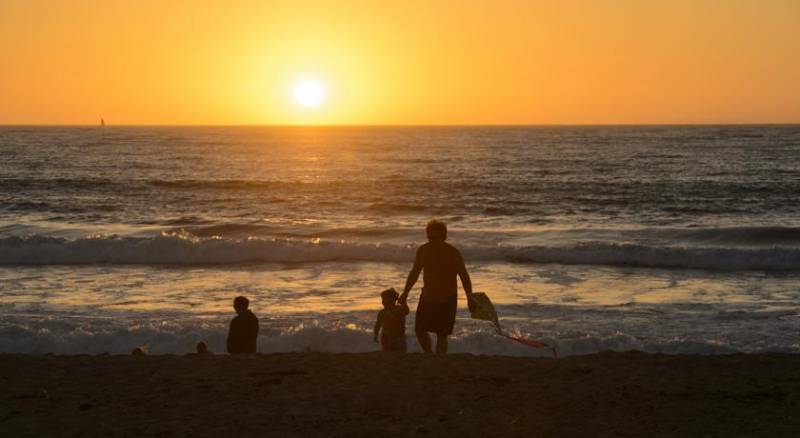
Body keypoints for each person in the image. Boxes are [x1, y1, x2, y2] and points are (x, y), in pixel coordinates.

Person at [400, 220, 474, 354]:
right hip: (427, 297)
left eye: (434, 238)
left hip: (447, 299)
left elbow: (464, 276)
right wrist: (405, 293)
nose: (431, 241)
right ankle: (428, 354)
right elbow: (415, 272)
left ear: (443, 236)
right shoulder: (423, 250)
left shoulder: (452, 253)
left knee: (442, 334)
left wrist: (470, 297)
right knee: (419, 330)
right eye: (429, 237)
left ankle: (440, 360)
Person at [373, 288, 410, 352]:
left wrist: (403, 302)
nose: (383, 302)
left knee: (400, 352)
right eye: (382, 300)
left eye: (385, 300)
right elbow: (378, 324)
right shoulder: (382, 312)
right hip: (386, 338)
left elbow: (406, 311)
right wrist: (376, 334)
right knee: (387, 351)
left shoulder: (399, 309)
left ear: (393, 300)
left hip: (399, 337)